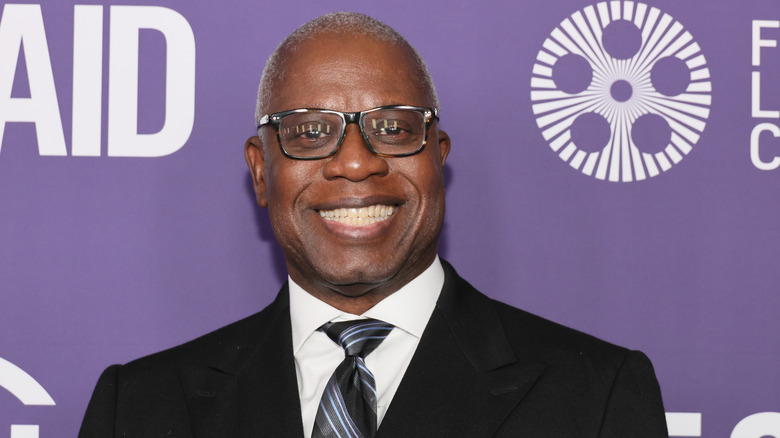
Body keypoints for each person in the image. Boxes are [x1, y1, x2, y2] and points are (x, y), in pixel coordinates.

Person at [79, 12, 667, 438]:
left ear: (438, 157)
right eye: (310, 131)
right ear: (260, 173)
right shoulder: (136, 409)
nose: (357, 162)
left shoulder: (598, 397)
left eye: (393, 127)